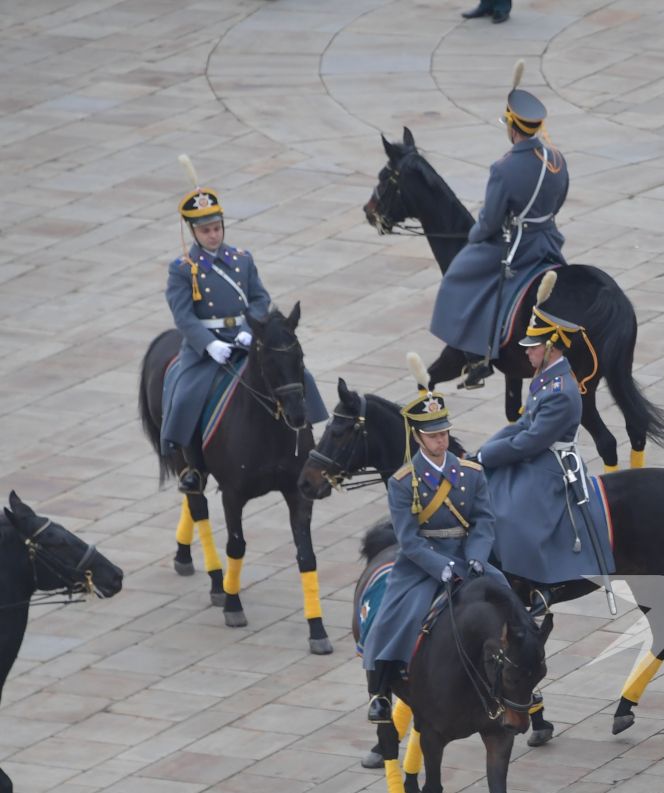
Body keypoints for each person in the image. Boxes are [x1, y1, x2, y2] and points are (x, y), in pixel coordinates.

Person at [160, 157, 327, 493]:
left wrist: (252, 330)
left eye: (217, 227)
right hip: (206, 346)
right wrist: (209, 344)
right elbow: (183, 315)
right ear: (193, 231)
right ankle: (191, 466)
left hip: (246, 336)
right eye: (205, 230)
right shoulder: (182, 269)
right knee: (186, 394)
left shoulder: (242, 260)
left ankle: (308, 438)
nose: (213, 235)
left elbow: (260, 298)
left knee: (298, 377)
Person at [361, 376, 504, 722]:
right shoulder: (401, 483)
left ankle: (521, 675)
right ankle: (379, 691)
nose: (442, 440)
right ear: (418, 437)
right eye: (434, 435)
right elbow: (408, 539)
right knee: (397, 614)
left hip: (467, 556)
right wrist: (439, 568)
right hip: (422, 562)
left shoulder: (470, 473)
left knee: (509, 602)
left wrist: (477, 556)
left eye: (444, 433)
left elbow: (484, 521)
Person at [430, 65, 567, 389]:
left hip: (519, 245)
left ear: (511, 127)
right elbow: (559, 199)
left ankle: (477, 353)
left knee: (462, 273)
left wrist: (474, 236)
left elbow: (490, 223)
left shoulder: (504, 169)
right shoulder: (557, 158)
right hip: (549, 241)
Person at [471, 289, 610, 594]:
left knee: (511, 516)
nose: (527, 351)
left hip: (549, 464)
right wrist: (483, 450)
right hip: (536, 453)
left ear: (551, 348)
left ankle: (532, 585)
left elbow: (529, 442)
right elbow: (521, 424)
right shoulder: (547, 377)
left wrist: (486, 457)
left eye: (532, 346)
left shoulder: (560, 390)